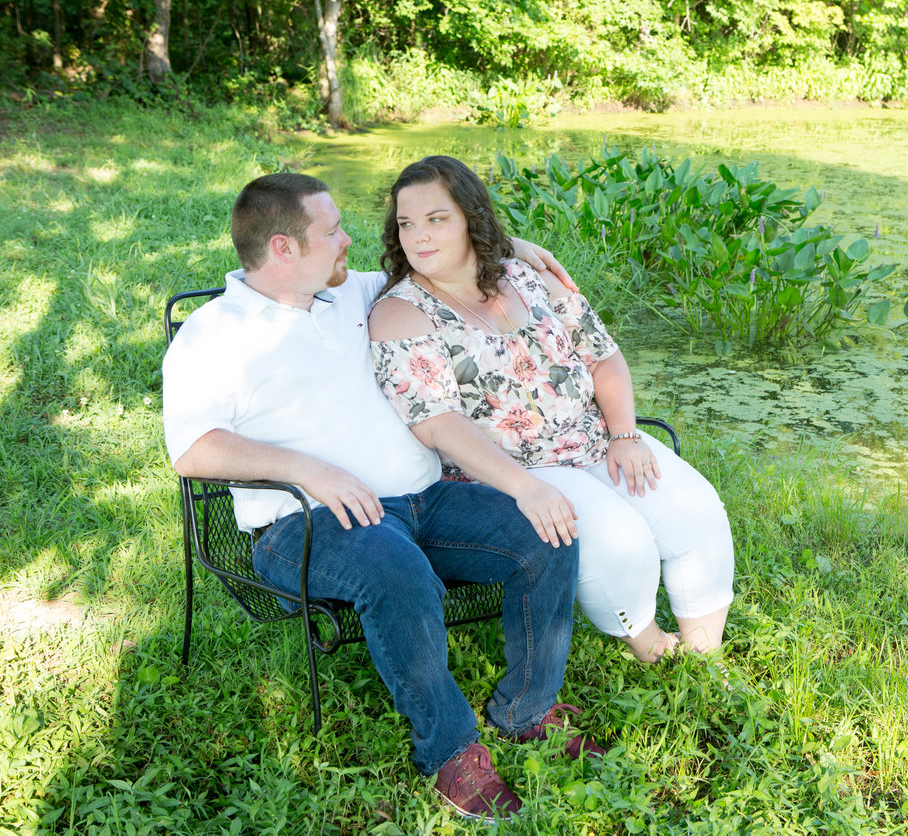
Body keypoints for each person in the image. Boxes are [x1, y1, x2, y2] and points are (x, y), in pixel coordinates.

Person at [162, 172, 602, 823]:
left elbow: (442, 254)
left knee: (544, 529)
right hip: (305, 525)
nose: (349, 240)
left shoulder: (353, 291)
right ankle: (450, 751)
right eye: (332, 230)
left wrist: (513, 246)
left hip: (425, 499)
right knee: (394, 569)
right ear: (283, 247)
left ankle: (526, 710)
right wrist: (310, 471)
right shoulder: (212, 335)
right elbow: (193, 449)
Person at [368, 156, 735, 665]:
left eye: (436, 219)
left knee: (696, 511)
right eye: (406, 223)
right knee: (619, 540)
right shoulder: (401, 313)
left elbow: (602, 356)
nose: (418, 237)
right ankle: (652, 649)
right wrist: (525, 486)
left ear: (472, 218)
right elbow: (437, 424)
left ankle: (704, 651)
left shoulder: (526, 275)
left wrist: (624, 436)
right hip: (515, 470)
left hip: (595, 438)